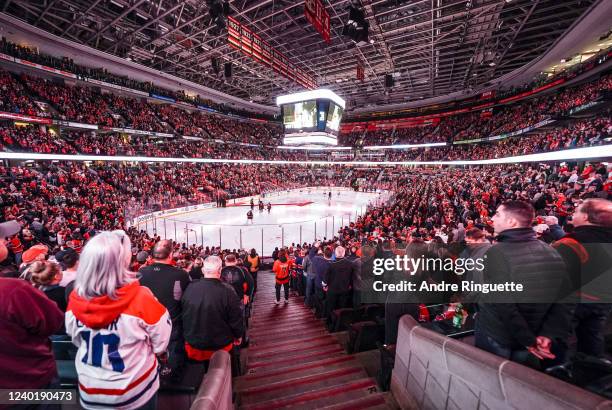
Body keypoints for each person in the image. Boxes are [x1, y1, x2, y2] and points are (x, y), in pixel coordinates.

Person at [65, 231, 171, 410]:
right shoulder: (141, 297)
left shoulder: (75, 300)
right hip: (134, 390)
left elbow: (76, 338)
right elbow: (161, 343)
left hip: (90, 390)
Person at [476, 201, 572, 365]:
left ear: (512, 222)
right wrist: (546, 334)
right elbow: (564, 299)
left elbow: (503, 303)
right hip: (532, 335)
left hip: (499, 337)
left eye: (498, 214)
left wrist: (528, 340)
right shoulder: (552, 251)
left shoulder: (496, 253)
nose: (493, 218)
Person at [553, 198, 612, 357]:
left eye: (577, 210)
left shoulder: (573, 241)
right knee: (592, 339)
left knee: (557, 341)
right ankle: (593, 369)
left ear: (586, 217)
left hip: (574, 303)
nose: (573, 212)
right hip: (604, 302)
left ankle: (555, 374)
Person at [138, 239, 190, 379]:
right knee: (173, 364)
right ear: (171, 255)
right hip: (173, 325)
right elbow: (186, 300)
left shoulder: (141, 273)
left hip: (146, 325)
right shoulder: (181, 274)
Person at [181, 256, 244, 366]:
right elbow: (236, 318)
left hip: (194, 345)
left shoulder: (189, 288)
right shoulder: (228, 291)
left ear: (203, 270)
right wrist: (238, 335)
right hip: (220, 346)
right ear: (220, 271)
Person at [324, 246, 356, 326]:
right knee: (342, 308)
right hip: (345, 290)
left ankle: (330, 324)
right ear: (344, 253)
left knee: (331, 308)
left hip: (332, 291)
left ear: (335, 253)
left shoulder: (331, 265)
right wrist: (350, 285)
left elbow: (325, 280)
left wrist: (325, 286)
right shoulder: (350, 264)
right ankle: (340, 324)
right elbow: (352, 277)